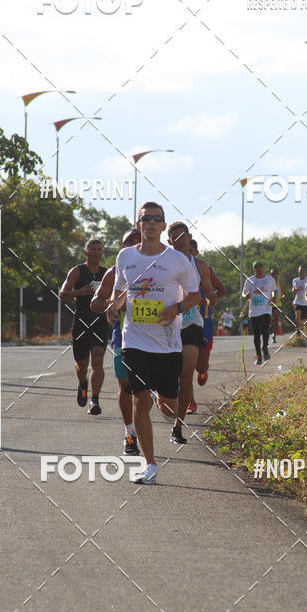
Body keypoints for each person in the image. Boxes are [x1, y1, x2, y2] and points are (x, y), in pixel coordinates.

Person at [108, 203, 201, 485]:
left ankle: (168, 402)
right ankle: (149, 464)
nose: (150, 223)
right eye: (145, 219)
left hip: (168, 344)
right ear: (138, 225)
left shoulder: (177, 260)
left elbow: (197, 295)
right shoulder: (125, 256)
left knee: (169, 403)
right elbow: (119, 291)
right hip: (134, 339)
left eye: (156, 219)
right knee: (139, 397)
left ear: (163, 226)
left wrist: (177, 308)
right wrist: (114, 305)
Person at [90, 227, 142, 454]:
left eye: (137, 241)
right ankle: (130, 434)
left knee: (146, 391)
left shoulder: (158, 267)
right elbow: (95, 302)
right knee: (126, 385)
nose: (133, 245)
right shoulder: (114, 272)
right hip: (122, 336)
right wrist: (110, 306)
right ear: (122, 248)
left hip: (155, 338)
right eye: (128, 242)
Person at [168, 222, 215, 438]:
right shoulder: (162, 263)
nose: (180, 241)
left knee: (186, 376)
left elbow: (209, 293)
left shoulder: (200, 265)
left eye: (183, 236)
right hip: (166, 326)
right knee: (169, 379)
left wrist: (208, 298)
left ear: (190, 237)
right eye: (174, 238)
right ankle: (167, 401)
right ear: (169, 242)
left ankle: (178, 427)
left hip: (192, 325)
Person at [60, 239, 108, 414]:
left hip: (100, 322)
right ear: (86, 252)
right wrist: (80, 292)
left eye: (99, 249)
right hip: (81, 322)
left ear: (102, 253)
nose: (96, 252)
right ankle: (82, 383)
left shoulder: (106, 274)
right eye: (92, 249)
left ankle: (94, 400)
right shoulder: (77, 271)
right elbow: (62, 294)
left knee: (97, 358)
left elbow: (115, 295)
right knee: (81, 364)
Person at [189, 239, 226, 395]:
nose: (187, 254)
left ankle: (203, 369)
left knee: (200, 367)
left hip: (204, 322)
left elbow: (221, 291)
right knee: (185, 367)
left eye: (191, 251)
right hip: (183, 321)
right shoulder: (173, 268)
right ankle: (189, 401)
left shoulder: (205, 269)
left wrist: (209, 301)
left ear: (196, 252)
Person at [242, 261, 276, 365]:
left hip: (266, 309)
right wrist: (246, 295)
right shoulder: (250, 280)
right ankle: (258, 356)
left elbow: (275, 290)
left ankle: (265, 347)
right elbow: (243, 293)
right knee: (256, 335)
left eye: (260, 267)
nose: (259, 269)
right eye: (256, 267)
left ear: (263, 268)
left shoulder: (269, 279)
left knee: (265, 329)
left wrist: (274, 298)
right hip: (254, 311)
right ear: (254, 269)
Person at [291, 265, 307, 335]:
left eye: (303, 271)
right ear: (298, 271)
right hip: (297, 301)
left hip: (306, 302)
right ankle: (299, 331)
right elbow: (293, 290)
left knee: (305, 320)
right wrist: (294, 290)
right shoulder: (295, 280)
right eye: (300, 271)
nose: (301, 272)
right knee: (297, 317)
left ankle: (305, 332)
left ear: (305, 272)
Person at [270, 268, 285, 342]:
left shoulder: (280, 284)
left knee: (276, 318)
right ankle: (268, 331)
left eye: (275, 274)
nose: (273, 275)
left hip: (277, 303)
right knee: (269, 319)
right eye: (272, 274)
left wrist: (282, 297)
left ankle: (274, 335)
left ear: (277, 275)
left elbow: (284, 293)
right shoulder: (268, 283)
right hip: (269, 303)